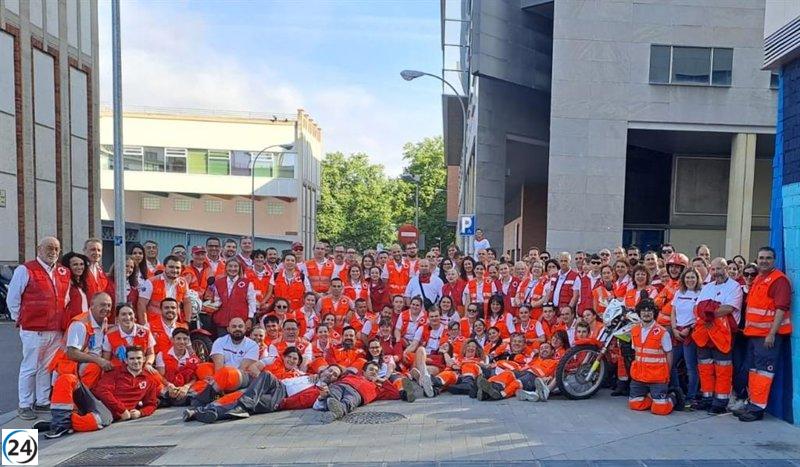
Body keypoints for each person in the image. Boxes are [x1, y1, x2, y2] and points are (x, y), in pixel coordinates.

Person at [7, 236, 71, 420]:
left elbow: (65, 298)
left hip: (55, 329)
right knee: (30, 367)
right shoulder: (25, 270)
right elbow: (13, 298)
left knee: (46, 367)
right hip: (33, 329)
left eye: (57, 248)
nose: (53, 251)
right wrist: (21, 319)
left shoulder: (62, 272)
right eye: (49, 247)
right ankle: (24, 404)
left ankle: (43, 401)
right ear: (39, 249)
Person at [39, 345, 158, 438]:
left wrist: (140, 413)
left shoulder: (149, 380)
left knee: (92, 423)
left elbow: (151, 404)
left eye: (138, 358)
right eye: (132, 358)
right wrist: (122, 410)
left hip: (110, 414)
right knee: (67, 378)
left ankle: (59, 423)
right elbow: (102, 391)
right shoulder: (114, 372)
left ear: (144, 359)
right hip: (96, 402)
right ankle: (60, 425)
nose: (136, 361)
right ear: (126, 360)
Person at [736, 247, 792, 422]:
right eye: (761, 258)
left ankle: (757, 409)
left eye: (768, 258)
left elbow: (781, 308)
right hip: (754, 334)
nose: (764, 261)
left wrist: (772, 334)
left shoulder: (779, 280)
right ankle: (752, 403)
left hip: (767, 336)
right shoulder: (760, 278)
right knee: (753, 370)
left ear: (773, 260)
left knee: (763, 372)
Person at [183, 364, 344, 424]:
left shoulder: (321, 389)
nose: (331, 374)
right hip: (278, 386)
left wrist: (322, 394)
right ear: (325, 369)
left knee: (244, 399)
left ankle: (199, 413)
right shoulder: (307, 375)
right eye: (330, 370)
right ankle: (239, 407)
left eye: (334, 375)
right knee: (264, 376)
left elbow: (316, 404)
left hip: (282, 397)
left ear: (335, 380)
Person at [691, 258, 742, 414]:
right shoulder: (707, 287)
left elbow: (727, 309)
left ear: (726, 268)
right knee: (705, 368)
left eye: (719, 269)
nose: (716, 272)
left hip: (723, 335)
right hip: (705, 334)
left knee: (723, 369)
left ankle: (720, 402)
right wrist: (710, 311)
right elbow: (697, 308)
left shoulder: (735, 287)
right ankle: (707, 399)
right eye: (713, 269)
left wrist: (708, 313)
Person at [628, 298, 681, 416]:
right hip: (639, 376)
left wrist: (667, 374)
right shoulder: (634, 330)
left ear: (654, 313)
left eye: (649, 311)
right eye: (643, 311)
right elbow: (636, 353)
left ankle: (673, 397)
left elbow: (669, 353)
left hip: (657, 377)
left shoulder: (663, 332)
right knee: (634, 404)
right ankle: (653, 398)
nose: (646, 313)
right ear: (639, 313)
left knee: (660, 410)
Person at [670, 268, 701, 406]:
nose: (690, 280)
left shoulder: (701, 293)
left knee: (691, 367)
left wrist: (689, 328)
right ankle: (678, 391)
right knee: (671, 364)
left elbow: (700, 316)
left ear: (697, 279)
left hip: (691, 334)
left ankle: (691, 396)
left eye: (693, 277)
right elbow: (673, 312)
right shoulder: (679, 293)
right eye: (687, 277)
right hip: (677, 333)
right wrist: (675, 329)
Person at [137, 255, 191, 325]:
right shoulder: (151, 282)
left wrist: (187, 322)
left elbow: (187, 303)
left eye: (177, 268)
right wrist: (144, 325)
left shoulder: (183, 283)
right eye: (171, 267)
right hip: (154, 324)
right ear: (164, 267)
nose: (174, 270)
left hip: (175, 324)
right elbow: (141, 304)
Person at [102, 303, 156, 371]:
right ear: (117, 319)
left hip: (141, 369)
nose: (128, 317)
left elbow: (151, 353)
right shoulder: (110, 335)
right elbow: (106, 359)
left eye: (130, 314)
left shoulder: (146, 332)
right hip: (119, 372)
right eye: (123, 314)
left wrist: (148, 364)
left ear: (134, 316)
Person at [211, 258, 257, 335]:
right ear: (226, 268)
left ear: (239, 268)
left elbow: (252, 302)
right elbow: (217, 300)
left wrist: (250, 318)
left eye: (235, 266)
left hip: (240, 322)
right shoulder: (218, 283)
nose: (233, 269)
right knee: (223, 344)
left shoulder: (247, 283)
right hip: (223, 321)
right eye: (230, 266)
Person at [655, 253, 689, 327]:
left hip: (673, 325)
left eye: (677, 267)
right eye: (671, 266)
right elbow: (657, 302)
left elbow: (674, 310)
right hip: (661, 321)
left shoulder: (685, 285)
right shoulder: (670, 282)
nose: (673, 269)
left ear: (683, 269)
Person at [61, 252, 90, 324]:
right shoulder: (66, 284)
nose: (79, 267)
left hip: (84, 324)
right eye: (75, 264)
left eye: (81, 264)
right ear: (68, 266)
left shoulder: (83, 284)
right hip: (72, 324)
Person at [83, 238, 112, 303]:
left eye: (99, 250)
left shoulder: (101, 270)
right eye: (93, 249)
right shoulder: (80, 269)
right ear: (84, 250)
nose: (96, 253)